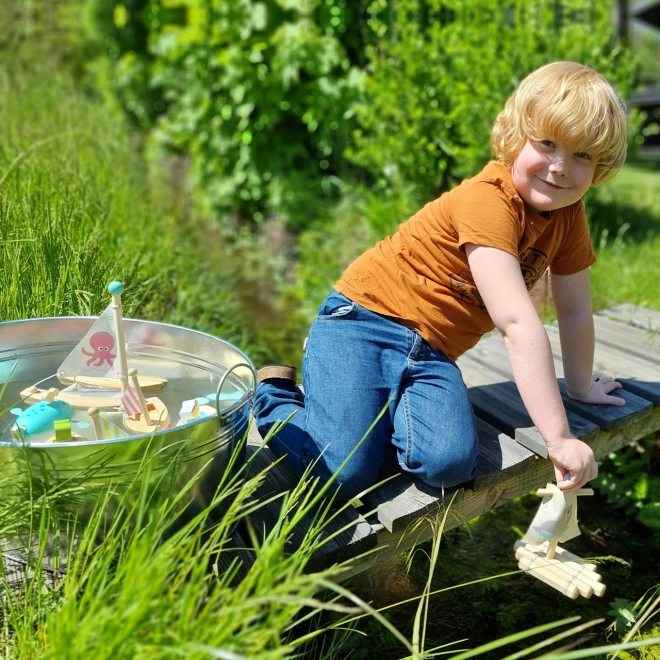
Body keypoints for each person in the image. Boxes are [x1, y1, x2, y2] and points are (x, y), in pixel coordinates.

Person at [254, 61, 628, 501]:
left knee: (447, 464)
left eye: (581, 155)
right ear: (515, 135)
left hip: (432, 351)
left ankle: (373, 411)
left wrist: (580, 385)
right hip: (360, 322)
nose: (560, 167)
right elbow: (516, 322)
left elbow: (574, 307)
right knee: (342, 473)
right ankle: (272, 399)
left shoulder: (568, 215)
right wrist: (560, 437)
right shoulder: (488, 200)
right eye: (547, 143)